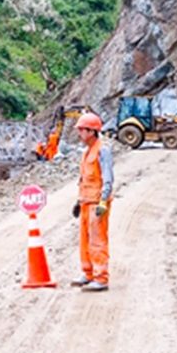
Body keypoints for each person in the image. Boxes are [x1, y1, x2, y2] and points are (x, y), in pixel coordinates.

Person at [70, 112, 113, 292]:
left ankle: (101, 278)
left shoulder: (102, 150)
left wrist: (103, 201)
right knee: (85, 240)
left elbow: (107, 178)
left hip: (97, 203)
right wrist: (79, 202)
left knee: (97, 241)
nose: (79, 133)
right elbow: (85, 180)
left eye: (81, 130)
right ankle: (88, 273)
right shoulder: (87, 151)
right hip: (87, 202)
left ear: (91, 131)